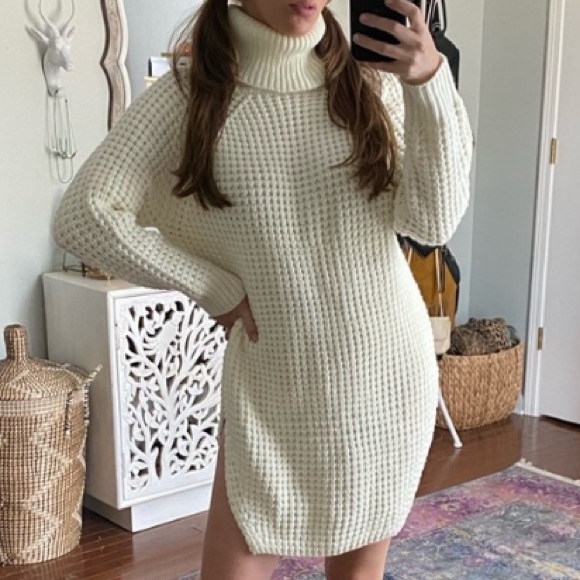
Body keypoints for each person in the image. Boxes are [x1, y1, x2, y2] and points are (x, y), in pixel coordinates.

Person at [53, 0, 473, 578]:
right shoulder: (189, 94)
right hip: (276, 389)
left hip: (386, 377)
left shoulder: (372, 81)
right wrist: (212, 286)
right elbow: (84, 215)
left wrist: (429, 83)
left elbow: (432, 223)